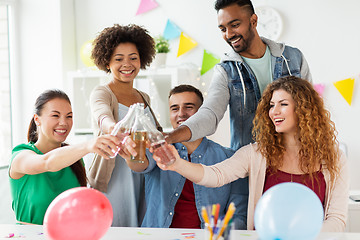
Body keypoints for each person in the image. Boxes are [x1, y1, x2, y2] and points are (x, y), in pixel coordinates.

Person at [153, 76, 349, 232]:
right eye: (271, 105)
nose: (274, 112)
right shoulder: (256, 153)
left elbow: (337, 219)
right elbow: (215, 175)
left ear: (304, 109)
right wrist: (176, 163)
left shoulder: (334, 157)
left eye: (283, 104)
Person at [165, 0, 312, 151]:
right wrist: (170, 137)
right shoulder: (225, 71)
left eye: (235, 25)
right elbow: (210, 113)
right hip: (250, 165)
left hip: (296, 157)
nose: (228, 35)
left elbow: (311, 110)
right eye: (223, 29)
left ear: (253, 21)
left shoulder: (293, 57)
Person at [123, 84, 249, 229]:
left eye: (188, 107)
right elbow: (140, 164)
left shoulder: (229, 158)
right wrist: (129, 155)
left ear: (202, 114)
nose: (181, 114)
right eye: (174, 108)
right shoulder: (158, 149)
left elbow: (239, 215)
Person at [9, 89, 120, 225]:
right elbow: (46, 162)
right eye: (55, 115)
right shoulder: (21, 155)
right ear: (37, 119)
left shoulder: (74, 159)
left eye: (69, 116)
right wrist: (88, 146)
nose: (64, 122)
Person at [88, 23, 162, 227]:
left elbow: (155, 132)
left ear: (142, 60)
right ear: (107, 62)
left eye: (133, 58)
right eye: (118, 59)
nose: (127, 64)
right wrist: (116, 129)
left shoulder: (143, 97)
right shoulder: (102, 93)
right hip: (115, 179)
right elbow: (102, 116)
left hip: (143, 176)